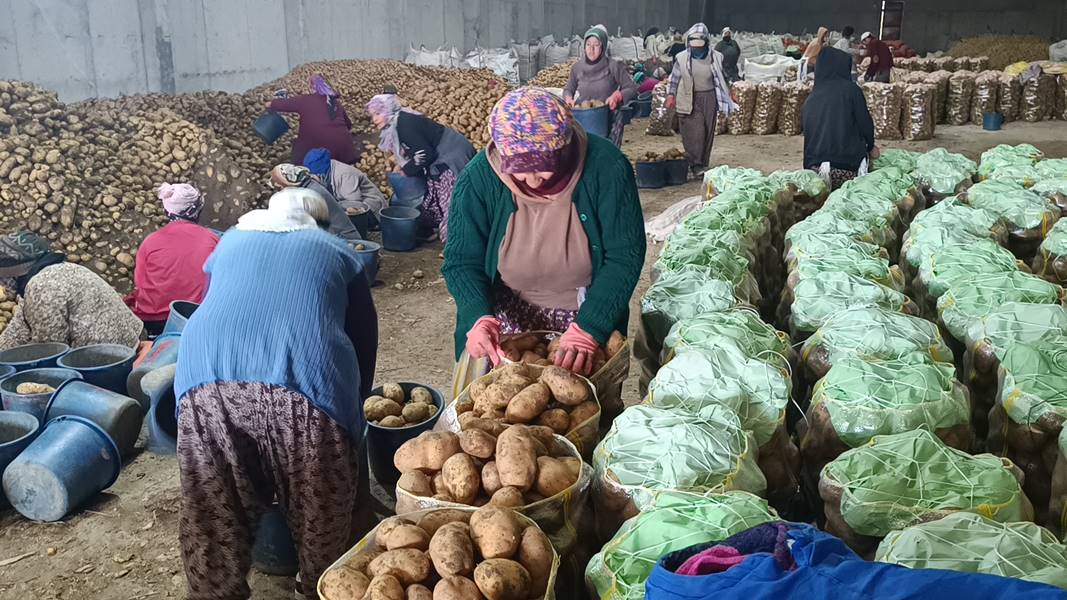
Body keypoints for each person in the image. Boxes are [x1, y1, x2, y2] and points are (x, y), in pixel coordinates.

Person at [174, 187, 377, 600]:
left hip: (203, 380)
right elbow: (363, 342)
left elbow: (220, 306)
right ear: (318, 224)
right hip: (303, 387)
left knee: (213, 506)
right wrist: (351, 425)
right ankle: (322, 586)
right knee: (321, 502)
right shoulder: (338, 252)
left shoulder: (229, 243)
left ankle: (215, 590)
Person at [443, 88, 645, 375]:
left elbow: (625, 256)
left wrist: (591, 327)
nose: (533, 181)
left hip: (584, 317)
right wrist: (478, 317)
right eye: (520, 171)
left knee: (587, 407)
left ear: (564, 147)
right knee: (494, 407)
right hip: (506, 321)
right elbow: (461, 261)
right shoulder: (479, 178)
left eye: (543, 169)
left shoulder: (607, 168)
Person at [0, 231, 143, 350]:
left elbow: (50, 349)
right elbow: (20, 327)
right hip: (133, 336)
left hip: (116, 357)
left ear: (15, 272)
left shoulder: (41, 288)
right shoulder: (61, 268)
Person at [366, 94, 475, 243]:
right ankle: (429, 231)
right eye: (373, 115)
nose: (374, 119)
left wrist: (407, 170)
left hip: (451, 156)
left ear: (388, 110)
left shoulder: (404, 125)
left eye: (378, 114)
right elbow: (418, 148)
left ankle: (455, 243)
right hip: (442, 156)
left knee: (451, 200)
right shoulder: (399, 122)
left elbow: (425, 153)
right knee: (432, 195)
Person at [124, 183, 219, 337]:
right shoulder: (212, 240)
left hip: (153, 321)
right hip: (195, 317)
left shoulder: (150, 242)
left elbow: (140, 284)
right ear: (198, 210)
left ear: (166, 211)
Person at [666, 23, 738, 177]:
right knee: (696, 131)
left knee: (708, 131)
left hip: (710, 97)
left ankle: (702, 163)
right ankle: (695, 163)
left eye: (700, 46)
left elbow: (723, 76)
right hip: (689, 97)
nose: (697, 49)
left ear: (706, 43)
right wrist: (670, 95)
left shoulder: (716, 57)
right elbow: (674, 78)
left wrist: (730, 91)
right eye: (694, 46)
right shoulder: (682, 58)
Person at [801, 48, 878, 190]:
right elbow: (865, 124)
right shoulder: (851, 90)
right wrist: (871, 146)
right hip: (846, 167)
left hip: (815, 171)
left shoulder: (811, 99)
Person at [564, 25, 639, 147]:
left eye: (596, 45)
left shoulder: (613, 66)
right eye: (588, 44)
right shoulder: (577, 68)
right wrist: (568, 98)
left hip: (609, 117)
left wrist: (618, 96)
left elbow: (632, 88)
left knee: (607, 154)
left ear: (603, 46)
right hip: (585, 117)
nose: (591, 49)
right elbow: (569, 89)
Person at [268, 74, 358, 165]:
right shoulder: (336, 103)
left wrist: (268, 104)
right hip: (345, 154)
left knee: (301, 147)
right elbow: (349, 126)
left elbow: (275, 104)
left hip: (319, 152)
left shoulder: (304, 100)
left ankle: (303, 170)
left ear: (312, 87)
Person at [271, 163, 361, 240]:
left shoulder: (308, 195)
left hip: (344, 240)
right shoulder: (310, 185)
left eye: (280, 187)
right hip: (341, 235)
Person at [303, 148, 387, 217]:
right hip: (346, 203)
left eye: (316, 173)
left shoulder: (345, 175)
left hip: (370, 208)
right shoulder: (327, 171)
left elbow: (355, 204)